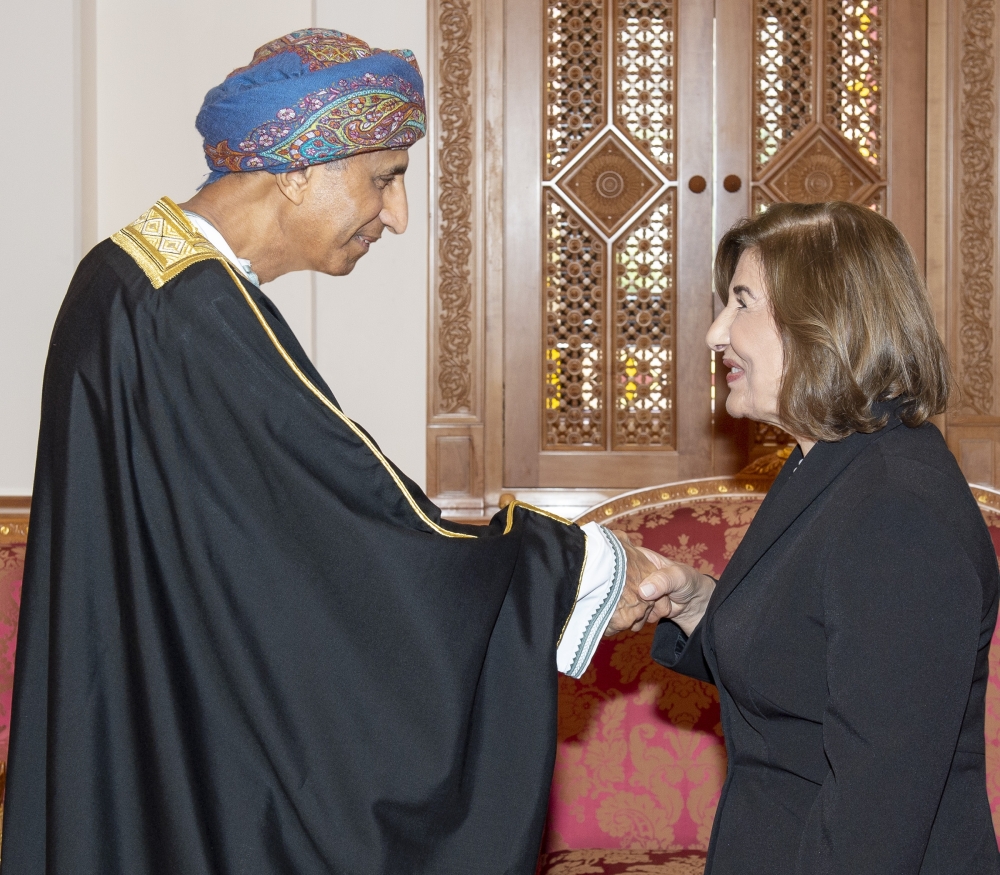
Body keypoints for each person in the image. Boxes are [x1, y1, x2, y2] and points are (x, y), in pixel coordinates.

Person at [1, 30, 665, 875]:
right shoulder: (196, 311)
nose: (398, 214)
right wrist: (567, 566)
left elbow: (256, 554)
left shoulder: (125, 277)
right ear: (297, 169)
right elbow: (350, 522)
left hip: (145, 740)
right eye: (385, 177)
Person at [637, 201, 1000, 874]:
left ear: (825, 321)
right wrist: (700, 604)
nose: (716, 332)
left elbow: (876, 822)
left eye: (742, 302)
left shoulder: (899, 510)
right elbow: (807, 665)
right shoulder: (829, 462)